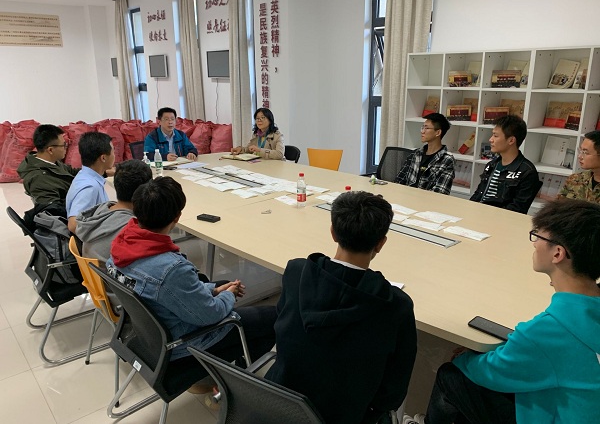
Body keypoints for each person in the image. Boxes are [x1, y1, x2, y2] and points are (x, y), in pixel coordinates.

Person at [404, 199, 600, 424]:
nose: (535, 243)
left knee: (451, 375)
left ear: (557, 254)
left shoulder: (548, 329)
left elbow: (491, 371)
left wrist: (465, 357)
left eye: (538, 237)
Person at [265, 191, 417, 424]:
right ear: (381, 243)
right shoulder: (397, 306)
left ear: (333, 232)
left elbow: (282, 324)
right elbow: (392, 392)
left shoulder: (297, 272)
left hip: (280, 403)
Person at [106, 176, 276, 369]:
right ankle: (233, 377)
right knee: (274, 318)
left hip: (148, 336)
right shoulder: (171, 269)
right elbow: (210, 315)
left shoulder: (120, 245)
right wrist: (228, 295)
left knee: (221, 284)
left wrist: (214, 290)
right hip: (180, 345)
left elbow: (169, 291)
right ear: (177, 218)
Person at [75, 159, 152, 264]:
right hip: (112, 273)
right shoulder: (132, 229)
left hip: (93, 272)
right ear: (145, 192)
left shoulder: (101, 210)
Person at [470, 115, 540, 214]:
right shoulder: (492, 165)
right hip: (478, 214)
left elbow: (517, 209)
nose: (490, 139)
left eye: (495, 136)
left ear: (511, 140)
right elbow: (478, 194)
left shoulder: (527, 172)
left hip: (500, 219)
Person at [17, 124, 79, 207]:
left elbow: (71, 172)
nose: (65, 148)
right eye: (63, 145)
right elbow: (52, 209)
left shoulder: (51, 162)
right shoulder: (39, 179)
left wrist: (95, 169)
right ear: (50, 150)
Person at [66, 132, 115, 233]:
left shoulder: (85, 175)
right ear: (103, 158)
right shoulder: (90, 187)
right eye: (113, 151)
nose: (114, 155)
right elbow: (73, 225)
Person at [395, 113, 455, 194]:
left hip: (426, 200)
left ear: (438, 132)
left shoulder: (447, 160)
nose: (422, 131)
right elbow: (399, 181)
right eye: (422, 128)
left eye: (426, 128)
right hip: (405, 197)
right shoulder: (415, 154)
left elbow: (440, 192)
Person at [557, 130, 600, 203]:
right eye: (580, 151)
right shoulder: (575, 179)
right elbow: (558, 206)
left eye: (585, 152)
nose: (579, 156)